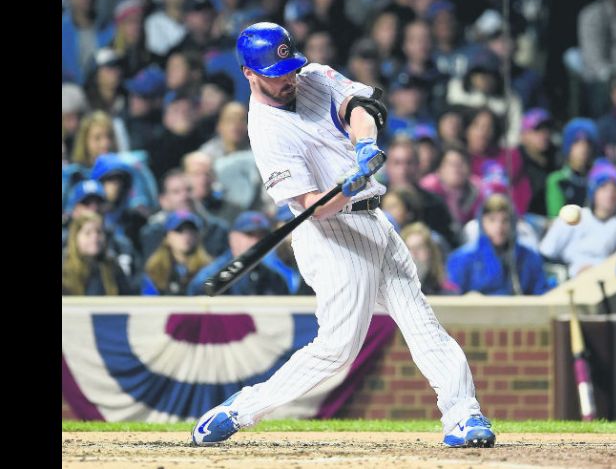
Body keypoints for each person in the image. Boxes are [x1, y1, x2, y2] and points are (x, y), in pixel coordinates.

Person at [192, 22, 496, 449]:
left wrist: (363, 146)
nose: (288, 80)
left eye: (289, 69)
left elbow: (359, 105)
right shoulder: (265, 131)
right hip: (330, 233)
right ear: (249, 74)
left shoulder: (311, 75)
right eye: (276, 76)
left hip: (375, 221)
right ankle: (241, 409)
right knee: (337, 349)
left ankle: (463, 414)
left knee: (421, 322)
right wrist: (345, 187)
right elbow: (313, 206)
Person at [540, 160, 616, 278]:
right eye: (604, 188)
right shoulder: (573, 215)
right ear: (593, 192)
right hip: (569, 280)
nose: (610, 195)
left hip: (610, 279)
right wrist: (570, 270)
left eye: (615, 190)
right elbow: (546, 253)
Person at [446, 193, 549, 296]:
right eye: (492, 220)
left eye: (505, 220)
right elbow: (451, 298)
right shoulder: (461, 259)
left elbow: (542, 294)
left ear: (513, 223)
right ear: (482, 222)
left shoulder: (529, 257)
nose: (499, 227)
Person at [187, 211, 289, 295]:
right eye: (249, 234)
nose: (256, 241)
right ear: (232, 237)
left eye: (262, 235)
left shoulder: (274, 278)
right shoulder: (212, 275)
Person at [141, 209, 212, 295]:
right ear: (167, 236)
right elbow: (148, 300)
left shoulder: (208, 269)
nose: (186, 235)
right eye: (179, 230)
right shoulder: (154, 269)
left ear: (198, 236)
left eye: (191, 230)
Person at [62, 211, 135, 295]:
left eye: (99, 232)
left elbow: (127, 297)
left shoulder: (113, 266)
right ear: (75, 238)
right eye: (88, 233)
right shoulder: (64, 267)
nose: (95, 237)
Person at [545, 118, 599, 218]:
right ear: (568, 146)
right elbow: (556, 219)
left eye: (588, 142)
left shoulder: (598, 178)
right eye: (576, 142)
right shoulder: (557, 180)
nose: (583, 147)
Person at [400, 222, 459, 295]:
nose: (414, 254)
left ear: (430, 252)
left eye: (419, 247)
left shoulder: (448, 292)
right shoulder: (393, 291)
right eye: (408, 248)